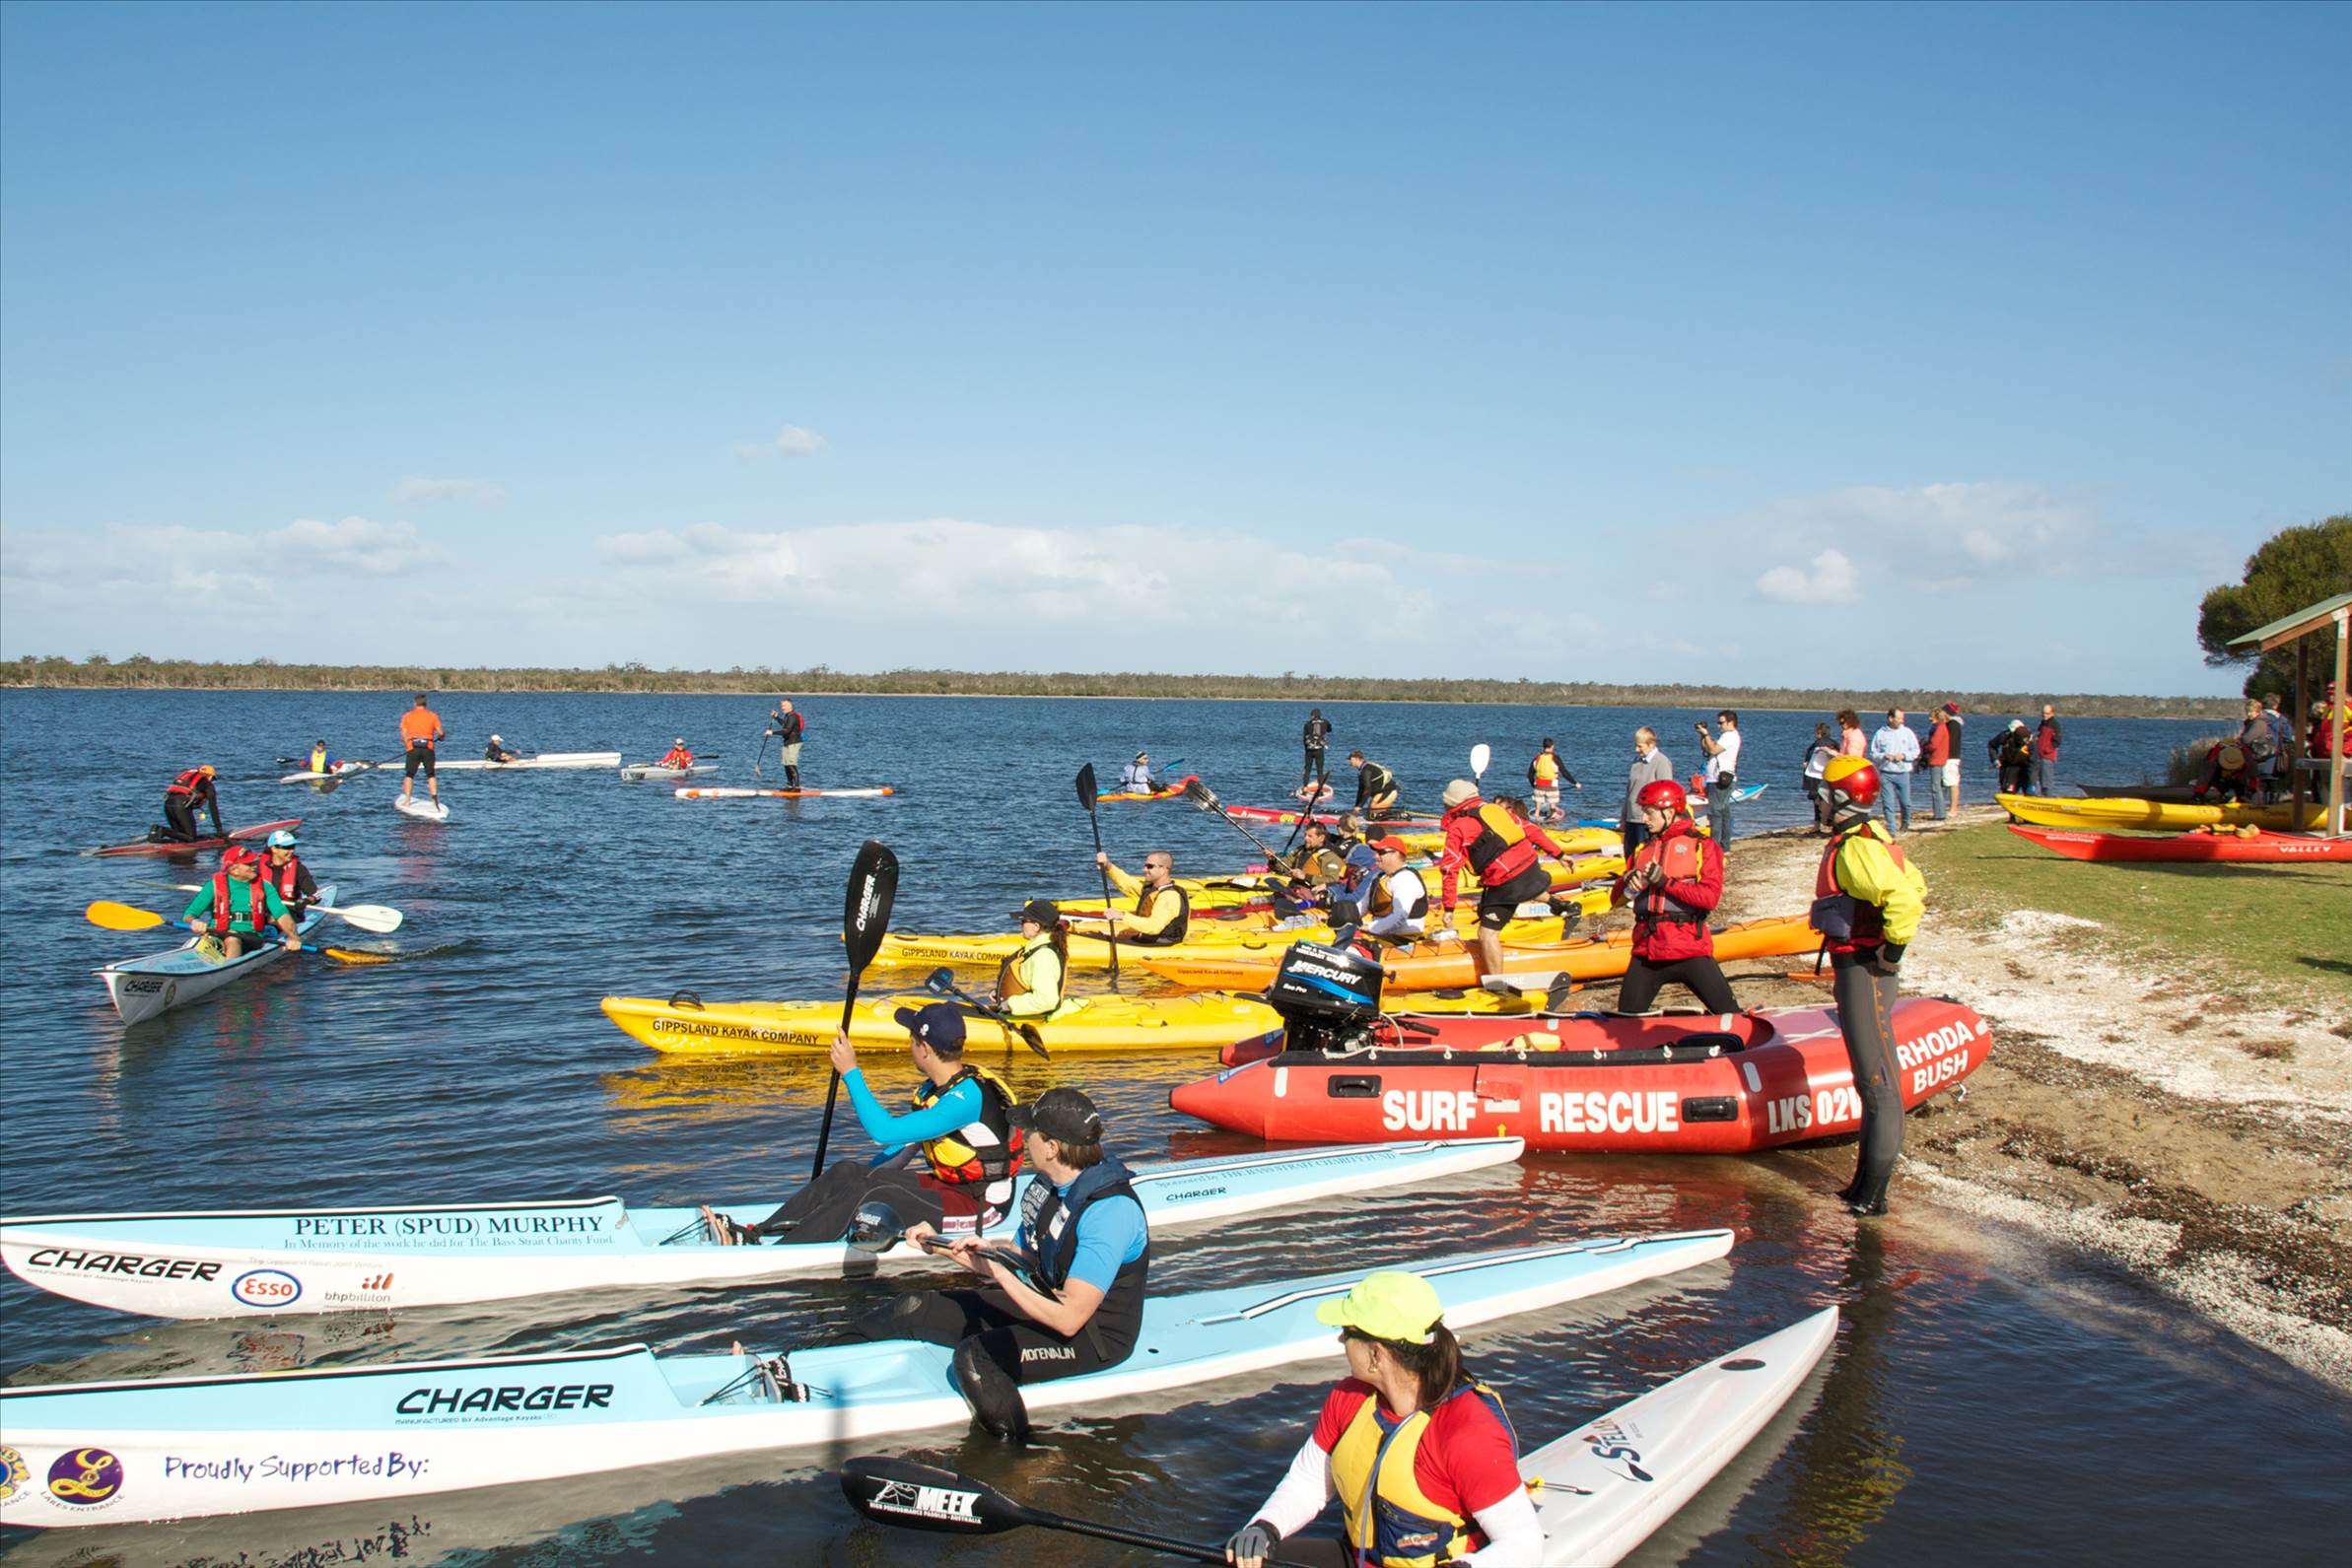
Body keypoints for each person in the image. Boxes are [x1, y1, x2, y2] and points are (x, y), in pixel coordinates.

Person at [856, 1086, 1147, 1442]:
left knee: (975, 1358)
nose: (1023, 1137)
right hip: (1045, 1301)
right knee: (913, 1306)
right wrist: (941, 1246)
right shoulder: (1046, 1187)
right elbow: (1017, 1258)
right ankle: (807, 1365)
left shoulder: (1110, 1211)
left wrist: (998, 1272)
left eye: (1031, 1132)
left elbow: (1070, 1318)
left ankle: (1016, 1462)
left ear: (1052, 1148)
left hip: (1095, 1335)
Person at [1222, 1269, 1540, 1568]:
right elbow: (1308, 1484)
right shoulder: (1348, 1398)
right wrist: (1265, 1527)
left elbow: (1524, 1543)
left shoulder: (1467, 1430)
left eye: (1347, 1333)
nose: (1340, 1342)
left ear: (1377, 1354)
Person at [723, 1003, 1022, 1245]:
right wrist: (856, 1181)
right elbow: (902, 1149)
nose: (909, 1044)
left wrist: (851, 1072)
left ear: (925, 1048)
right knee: (849, 1173)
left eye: (912, 1038)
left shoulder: (966, 1098)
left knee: (872, 1196)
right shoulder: (933, 1089)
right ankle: (757, 1233)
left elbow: (883, 1132)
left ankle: (779, 1254)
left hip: (983, 1206)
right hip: (950, 1188)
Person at [1811, 757, 1927, 1218]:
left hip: (1864, 968)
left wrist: (1891, 953)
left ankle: (1871, 1197)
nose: (1816, 801)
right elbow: (1915, 885)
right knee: (1874, 1077)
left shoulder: (1857, 848)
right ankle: (1861, 1185)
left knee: (1876, 1081)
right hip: (1861, 965)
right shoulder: (1874, 839)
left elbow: (1903, 899)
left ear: (1841, 799)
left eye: (1822, 793)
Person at [1609, 781, 1736, 1013]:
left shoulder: (1703, 846)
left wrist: (1665, 882)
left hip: (1689, 948)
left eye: (1648, 813)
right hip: (1648, 950)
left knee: (1729, 1014)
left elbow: (1709, 898)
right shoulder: (1642, 849)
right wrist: (1628, 880)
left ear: (1668, 812)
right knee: (1625, 1022)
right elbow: (1614, 901)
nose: (1644, 820)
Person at [1433, 780, 1571, 986]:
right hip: (1530, 866)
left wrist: (1449, 908)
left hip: (1505, 880)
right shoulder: (1495, 810)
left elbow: (1449, 869)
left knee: (1487, 933)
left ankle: (1496, 985)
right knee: (1524, 887)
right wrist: (1559, 854)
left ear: (1452, 804)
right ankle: (1557, 903)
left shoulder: (1458, 827)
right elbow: (1531, 830)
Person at [181, 847, 302, 960]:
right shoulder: (213, 886)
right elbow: (189, 914)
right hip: (217, 933)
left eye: (254, 862)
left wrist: (294, 937)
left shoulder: (265, 887)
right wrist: (195, 922)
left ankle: (227, 970)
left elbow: (281, 914)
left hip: (250, 936)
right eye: (249, 864)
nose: (255, 866)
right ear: (234, 869)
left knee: (232, 938)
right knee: (205, 940)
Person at [1091, 850, 1191, 945]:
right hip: (1147, 939)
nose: (1144, 869)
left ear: (1164, 869)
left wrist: (1122, 915)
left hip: (1161, 944)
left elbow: (1154, 926)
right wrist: (1108, 866)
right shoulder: (1153, 889)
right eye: (1145, 865)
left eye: (1150, 866)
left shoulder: (1170, 896)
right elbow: (1128, 884)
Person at [996, 901, 1071, 1018]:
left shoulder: (1043, 956)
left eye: (1024, 921)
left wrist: (1009, 1004)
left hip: (1033, 1018)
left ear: (1036, 926)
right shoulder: (1039, 948)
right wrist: (1000, 993)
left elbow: (1046, 1001)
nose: (1021, 924)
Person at [1353, 837, 1431, 946]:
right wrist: (1341, 917)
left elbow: (1399, 916)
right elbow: (1362, 905)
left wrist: (1370, 927)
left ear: (1396, 854)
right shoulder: (1379, 876)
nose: (1375, 856)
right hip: (1379, 935)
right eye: (1376, 852)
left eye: (1381, 852)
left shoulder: (1406, 879)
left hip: (1402, 940)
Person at [1868, 709, 1920, 836]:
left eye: (1902, 718)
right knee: (1888, 803)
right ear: (1891, 718)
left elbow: (1916, 751)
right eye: (1899, 718)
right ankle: (1891, 829)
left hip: (1903, 773)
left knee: (1905, 803)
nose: (1902, 721)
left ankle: (1905, 823)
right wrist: (1884, 756)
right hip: (1886, 773)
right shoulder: (1880, 733)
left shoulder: (1907, 732)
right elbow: (1873, 753)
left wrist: (1903, 755)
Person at [1621, 728, 1672, 856]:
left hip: (1647, 821)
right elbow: (1629, 791)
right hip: (1631, 818)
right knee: (1630, 856)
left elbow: (1666, 793)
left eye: (1640, 746)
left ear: (1651, 744)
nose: (1636, 750)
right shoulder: (1636, 762)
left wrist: (1663, 821)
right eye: (1635, 746)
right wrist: (1623, 817)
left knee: (1644, 857)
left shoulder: (1662, 762)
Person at [1695, 711, 1742, 846]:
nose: (1718, 726)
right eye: (1718, 723)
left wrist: (1706, 734)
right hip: (1716, 779)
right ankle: (1724, 845)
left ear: (1730, 722)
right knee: (1723, 812)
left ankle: (1716, 845)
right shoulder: (1726, 736)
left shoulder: (1730, 736)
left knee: (1716, 813)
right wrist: (1702, 736)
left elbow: (1713, 750)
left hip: (1719, 780)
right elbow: (1707, 748)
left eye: (1721, 723)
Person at [257, 829, 318, 920]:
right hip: (263, 911)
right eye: (287, 847)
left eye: (293, 846)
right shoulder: (256, 866)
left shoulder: (299, 869)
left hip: (289, 912)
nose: (292, 851)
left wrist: (306, 901)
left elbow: (315, 894)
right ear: (274, 849)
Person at [398, 693, 445, 808]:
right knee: (430, 774)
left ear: (415, 703)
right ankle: (434, 801)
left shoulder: (407, 716)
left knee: (409, 774)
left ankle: (407, 800)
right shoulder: (433, 716)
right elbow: (441, 733)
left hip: (413, 748)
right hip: (428, 748)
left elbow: (403, 734)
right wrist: (441, 737)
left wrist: (407, 745)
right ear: (425, 703)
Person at [161, 764, 221, 843]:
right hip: (180, 807)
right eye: (212, 779)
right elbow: (213, 807)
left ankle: (157, 833)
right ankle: (162, 830)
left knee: (181, 836)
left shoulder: (187, 779)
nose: (212, 781)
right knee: (191, 838)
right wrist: (219, 829)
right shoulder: (207, 784)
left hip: (167, 804)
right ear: (210, 776)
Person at [1526, 739, 1579, 823]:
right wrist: (1575, 783)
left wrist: (1534, 785)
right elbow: (1564, 772)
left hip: (1539, 786)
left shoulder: (1536, 759)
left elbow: (1529, 775)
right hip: (1551, 787)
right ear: (1552, 746)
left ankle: (1536, 813)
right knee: (1552, 802)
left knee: (1538, 800)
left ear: (1543, 747)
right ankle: (1553, 813)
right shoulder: (1555, 758)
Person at [1802, 722, 1837, 834]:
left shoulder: (1816, 744)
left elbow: (1808, 760)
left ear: (1819, 732)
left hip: (1816, 775)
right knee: (1831, 799)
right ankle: (1832, 824)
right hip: (1830, 774)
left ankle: (1817, 825)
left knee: (1816, 800)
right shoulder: (1834, 743)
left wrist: (1806, 764)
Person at [1347, 751, 1403, 818]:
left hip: (1390, 791)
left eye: (1350, 759)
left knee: (1373, 812)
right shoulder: (1362, 771)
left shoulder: (1366, 770)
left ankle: (1398, 816)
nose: (1349, 761)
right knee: (1370, 812)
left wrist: (1359, 806)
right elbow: (1360, 791)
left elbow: (1368, 789)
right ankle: (1386, 815)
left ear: (1357, 759)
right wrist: (1356, 807)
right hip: (1381, 792)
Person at [1920, 706, 1953, 821]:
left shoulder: (1939, 728)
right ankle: (1940, 812)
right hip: (1940, 759)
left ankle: (1939, 814)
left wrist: (1925, 746)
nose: (1930, 719)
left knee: (1935, 787)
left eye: (1931, 716)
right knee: (1938, 786)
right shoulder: (1942, 727)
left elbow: (1934, 745)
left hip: (1937, 759)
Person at [766, 700, 806, 788]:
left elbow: (787, 730)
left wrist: (772, 732)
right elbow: (785, 725)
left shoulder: (793, 716)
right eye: (781, 705)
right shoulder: (788, 715)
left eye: (783, 706)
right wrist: (777, 717)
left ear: (789, 706)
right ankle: (790, 784)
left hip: (794, 743)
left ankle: (796, 786)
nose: (782, 707)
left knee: (791, 764)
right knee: (786, 764)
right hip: (787, 742)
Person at [1992, 719, 2033, 797]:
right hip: (2009, 767)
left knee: (2029, 792)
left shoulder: (2029, 738)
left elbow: (2034, 758)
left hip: (2025, 767)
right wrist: (1995, 759)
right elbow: (1992, 745)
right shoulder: (2004, 736)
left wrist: (2033, 779)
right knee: (2008, 791)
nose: (2013, 733)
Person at [1938, 702, 1967, 811]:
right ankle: (1950, 807)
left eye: (1943, 711)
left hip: (1950, 757)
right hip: (1949, 757)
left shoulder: (1953, 725)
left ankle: (1953, 808)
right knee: (1948, 782)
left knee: (1952, 783)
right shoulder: (1950, 724)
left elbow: (1950, 742)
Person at [2033, 703, 2062, 795]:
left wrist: (2047, 750)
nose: (2044, 715)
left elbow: (2057, 741)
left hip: (2047, 757)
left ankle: (2048, 800)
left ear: (2052, 713)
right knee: (2036, 781)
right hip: (2038, 756)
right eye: (2043, 713)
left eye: (2047, 713)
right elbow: (2040, 735)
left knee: (2046, 783)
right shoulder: (2043, 723)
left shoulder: (2055, 724)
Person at [1301, 708, 1332, 789]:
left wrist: (1306, 751)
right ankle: (1320, 790)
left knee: (1307, 770)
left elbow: (1304, 739)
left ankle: (1305, 788)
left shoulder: (1307, 724)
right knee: (1320, 770)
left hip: (1309, 750)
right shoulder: (1325, 722)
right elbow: (1330, 730)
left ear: (1312, 716)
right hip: (1319, 750)